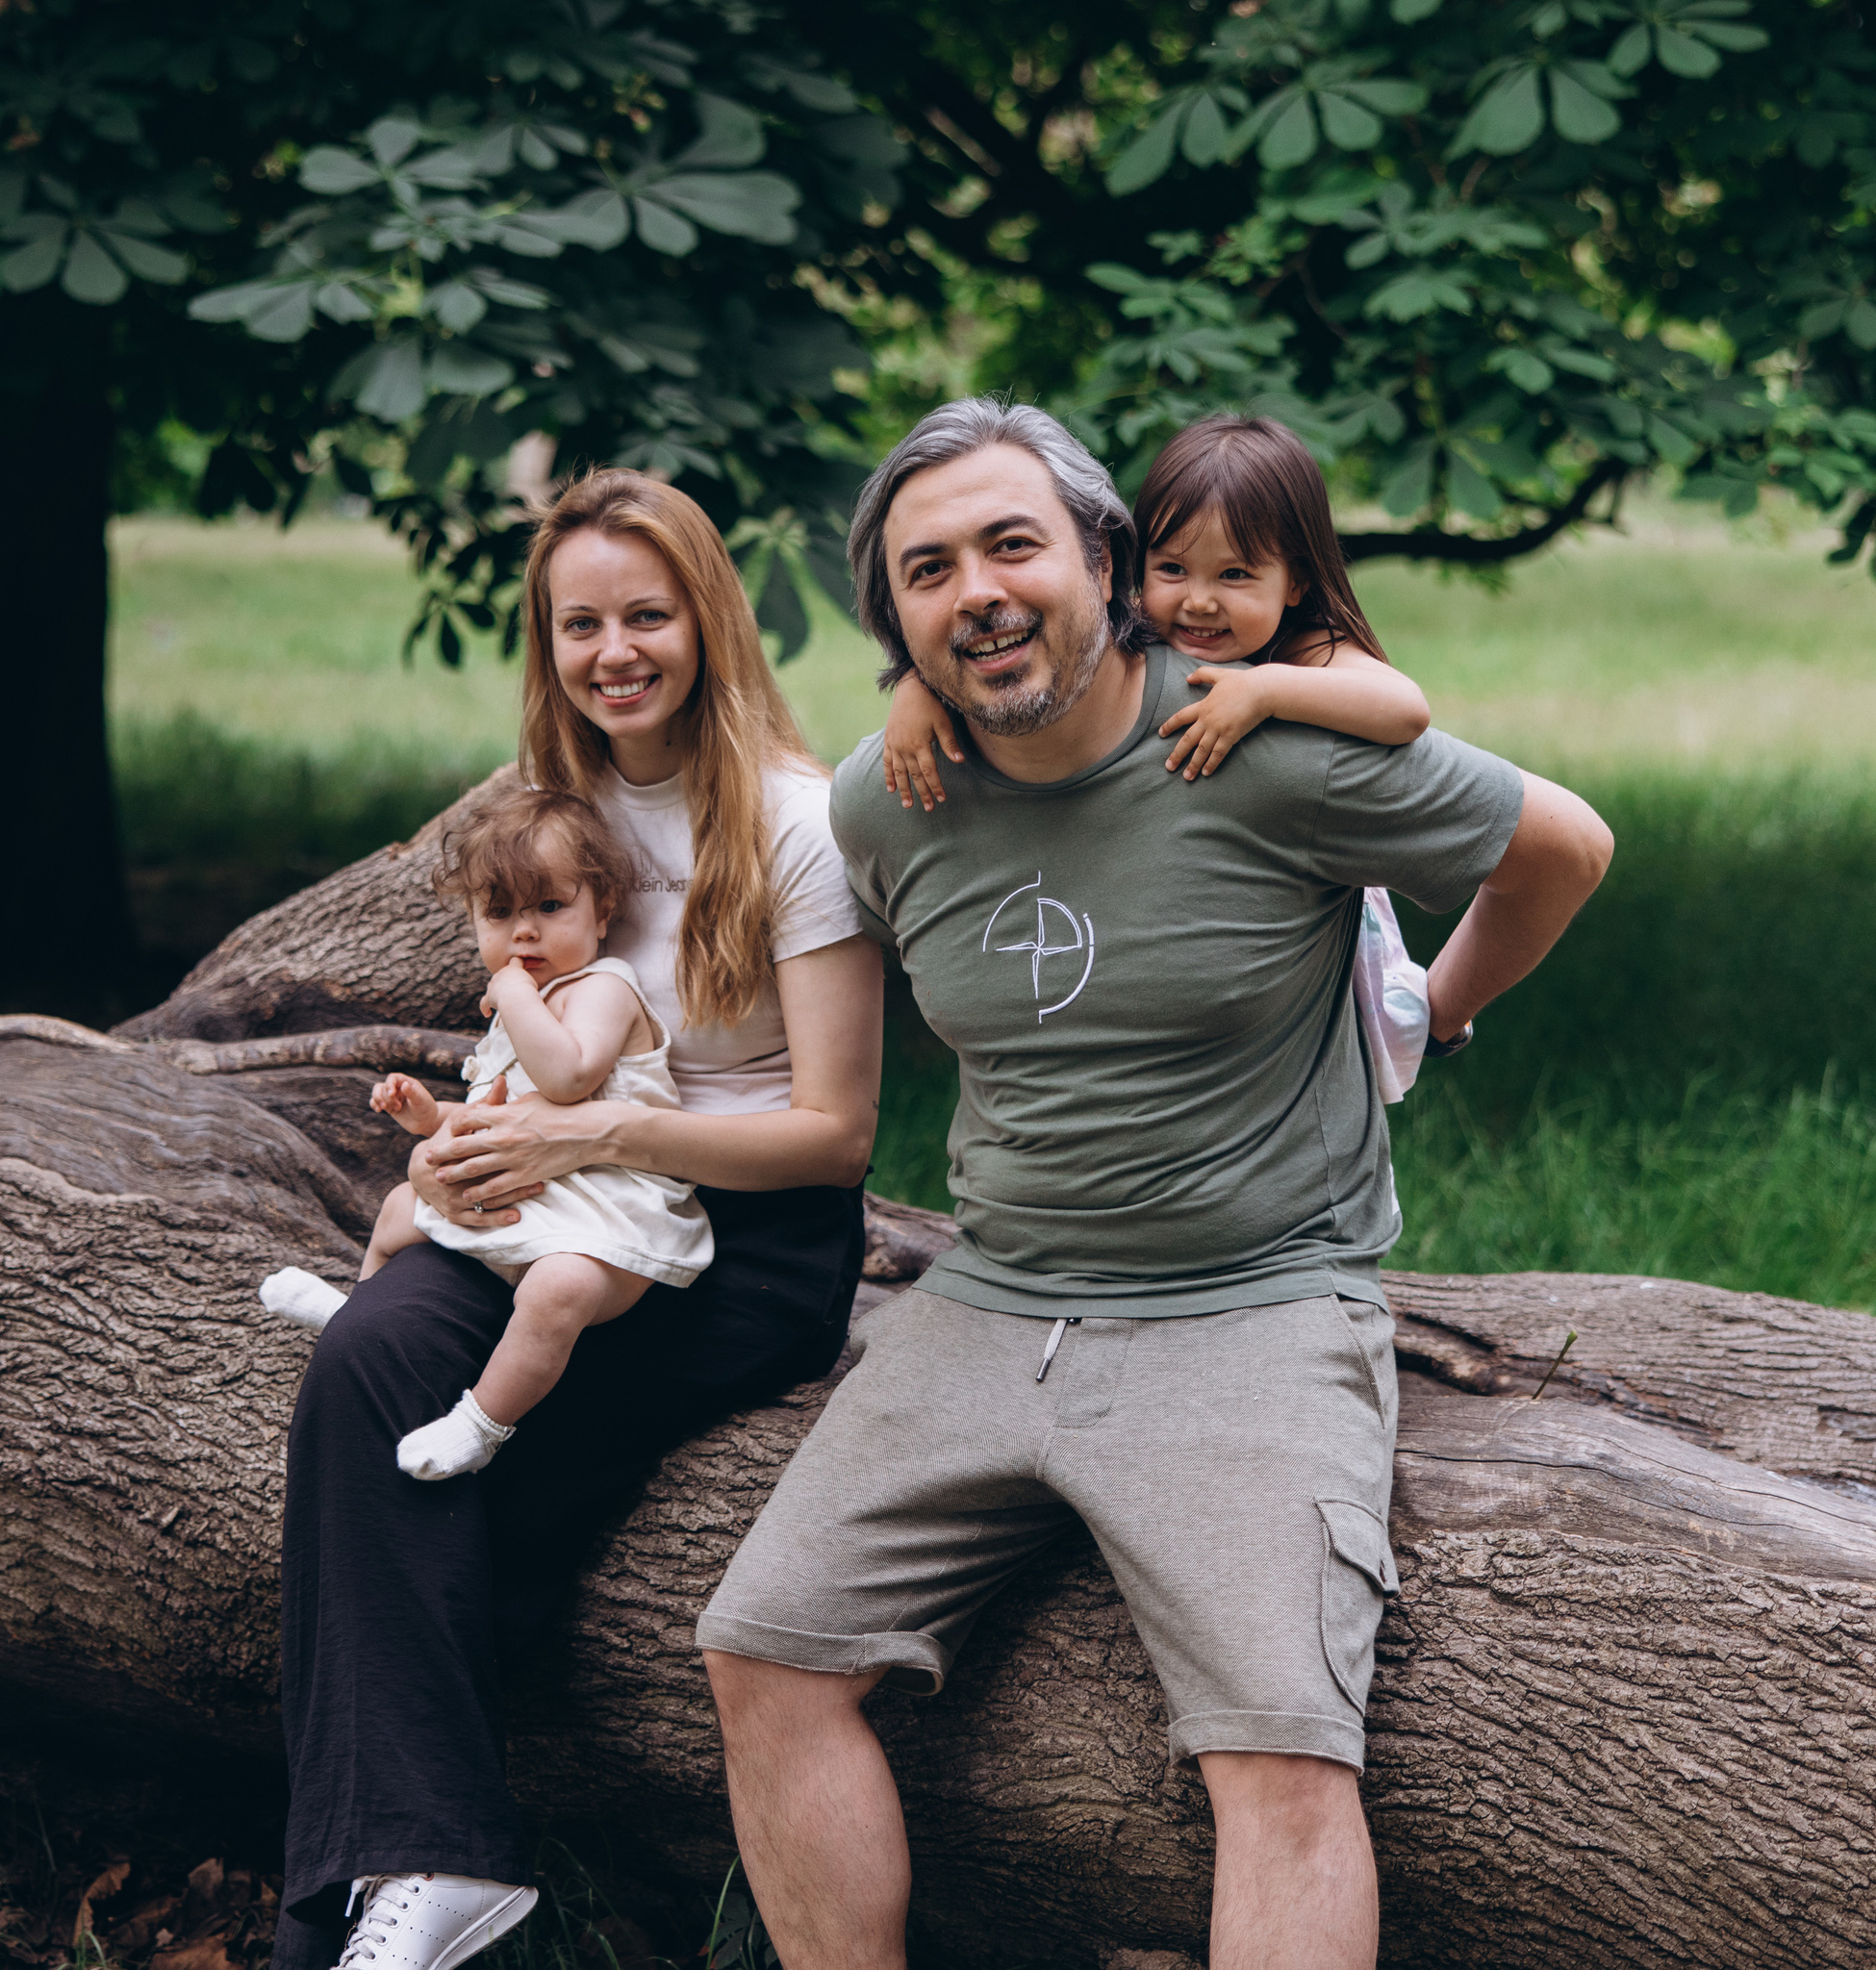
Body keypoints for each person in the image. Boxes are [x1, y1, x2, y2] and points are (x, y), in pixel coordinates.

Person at [695, 398, 1613, 1970]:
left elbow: (1563, 846)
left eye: (1009, 544)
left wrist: (1437, 1006)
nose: (977, 589)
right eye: (929, 570)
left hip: (1250, 1306)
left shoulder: (1266, 743)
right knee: (761, 1650)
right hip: (989, 1298)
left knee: (1277, 1750)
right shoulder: (888, 798)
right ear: (898, 622)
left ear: (1104, 558)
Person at [268, 469, 884, 1970]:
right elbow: (515, 1042)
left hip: (741, 1244)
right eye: (580, 623)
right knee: (363, 1372)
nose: (615, 650)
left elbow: (837, 1133)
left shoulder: (800, 823)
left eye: (647, 615)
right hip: (555, 1211)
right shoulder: (553, 816)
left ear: (708, 621)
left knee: (473, 1502)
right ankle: (427, 1879)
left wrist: (589, 1129)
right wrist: (474, 1151)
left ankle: (384, 1890)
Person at [880, 411, 1442, 1103]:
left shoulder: (1308, 646)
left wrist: (1265, 689)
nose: (1199, 602)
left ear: (1294, 582)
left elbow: (1406, 709)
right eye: (1172, 568)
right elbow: (994, 639)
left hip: (1317, 922)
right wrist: (914, 686)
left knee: (1374, 1047)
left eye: (1235, 574)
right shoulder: (1143, 632)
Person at [260, 786, 716, 1482]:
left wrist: (512, 996)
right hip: (526, 1199)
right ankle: (358, 1316)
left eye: (549, 907)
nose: (524, 932)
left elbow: (567, 1079)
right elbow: (496, 1116)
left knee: (556, 1290)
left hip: (606, 1222)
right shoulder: (520, 1013)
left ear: (604, 907)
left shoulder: (604, 989)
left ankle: (481, 1424)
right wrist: (428, 1118)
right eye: (499, 913)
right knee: (395, 1209)